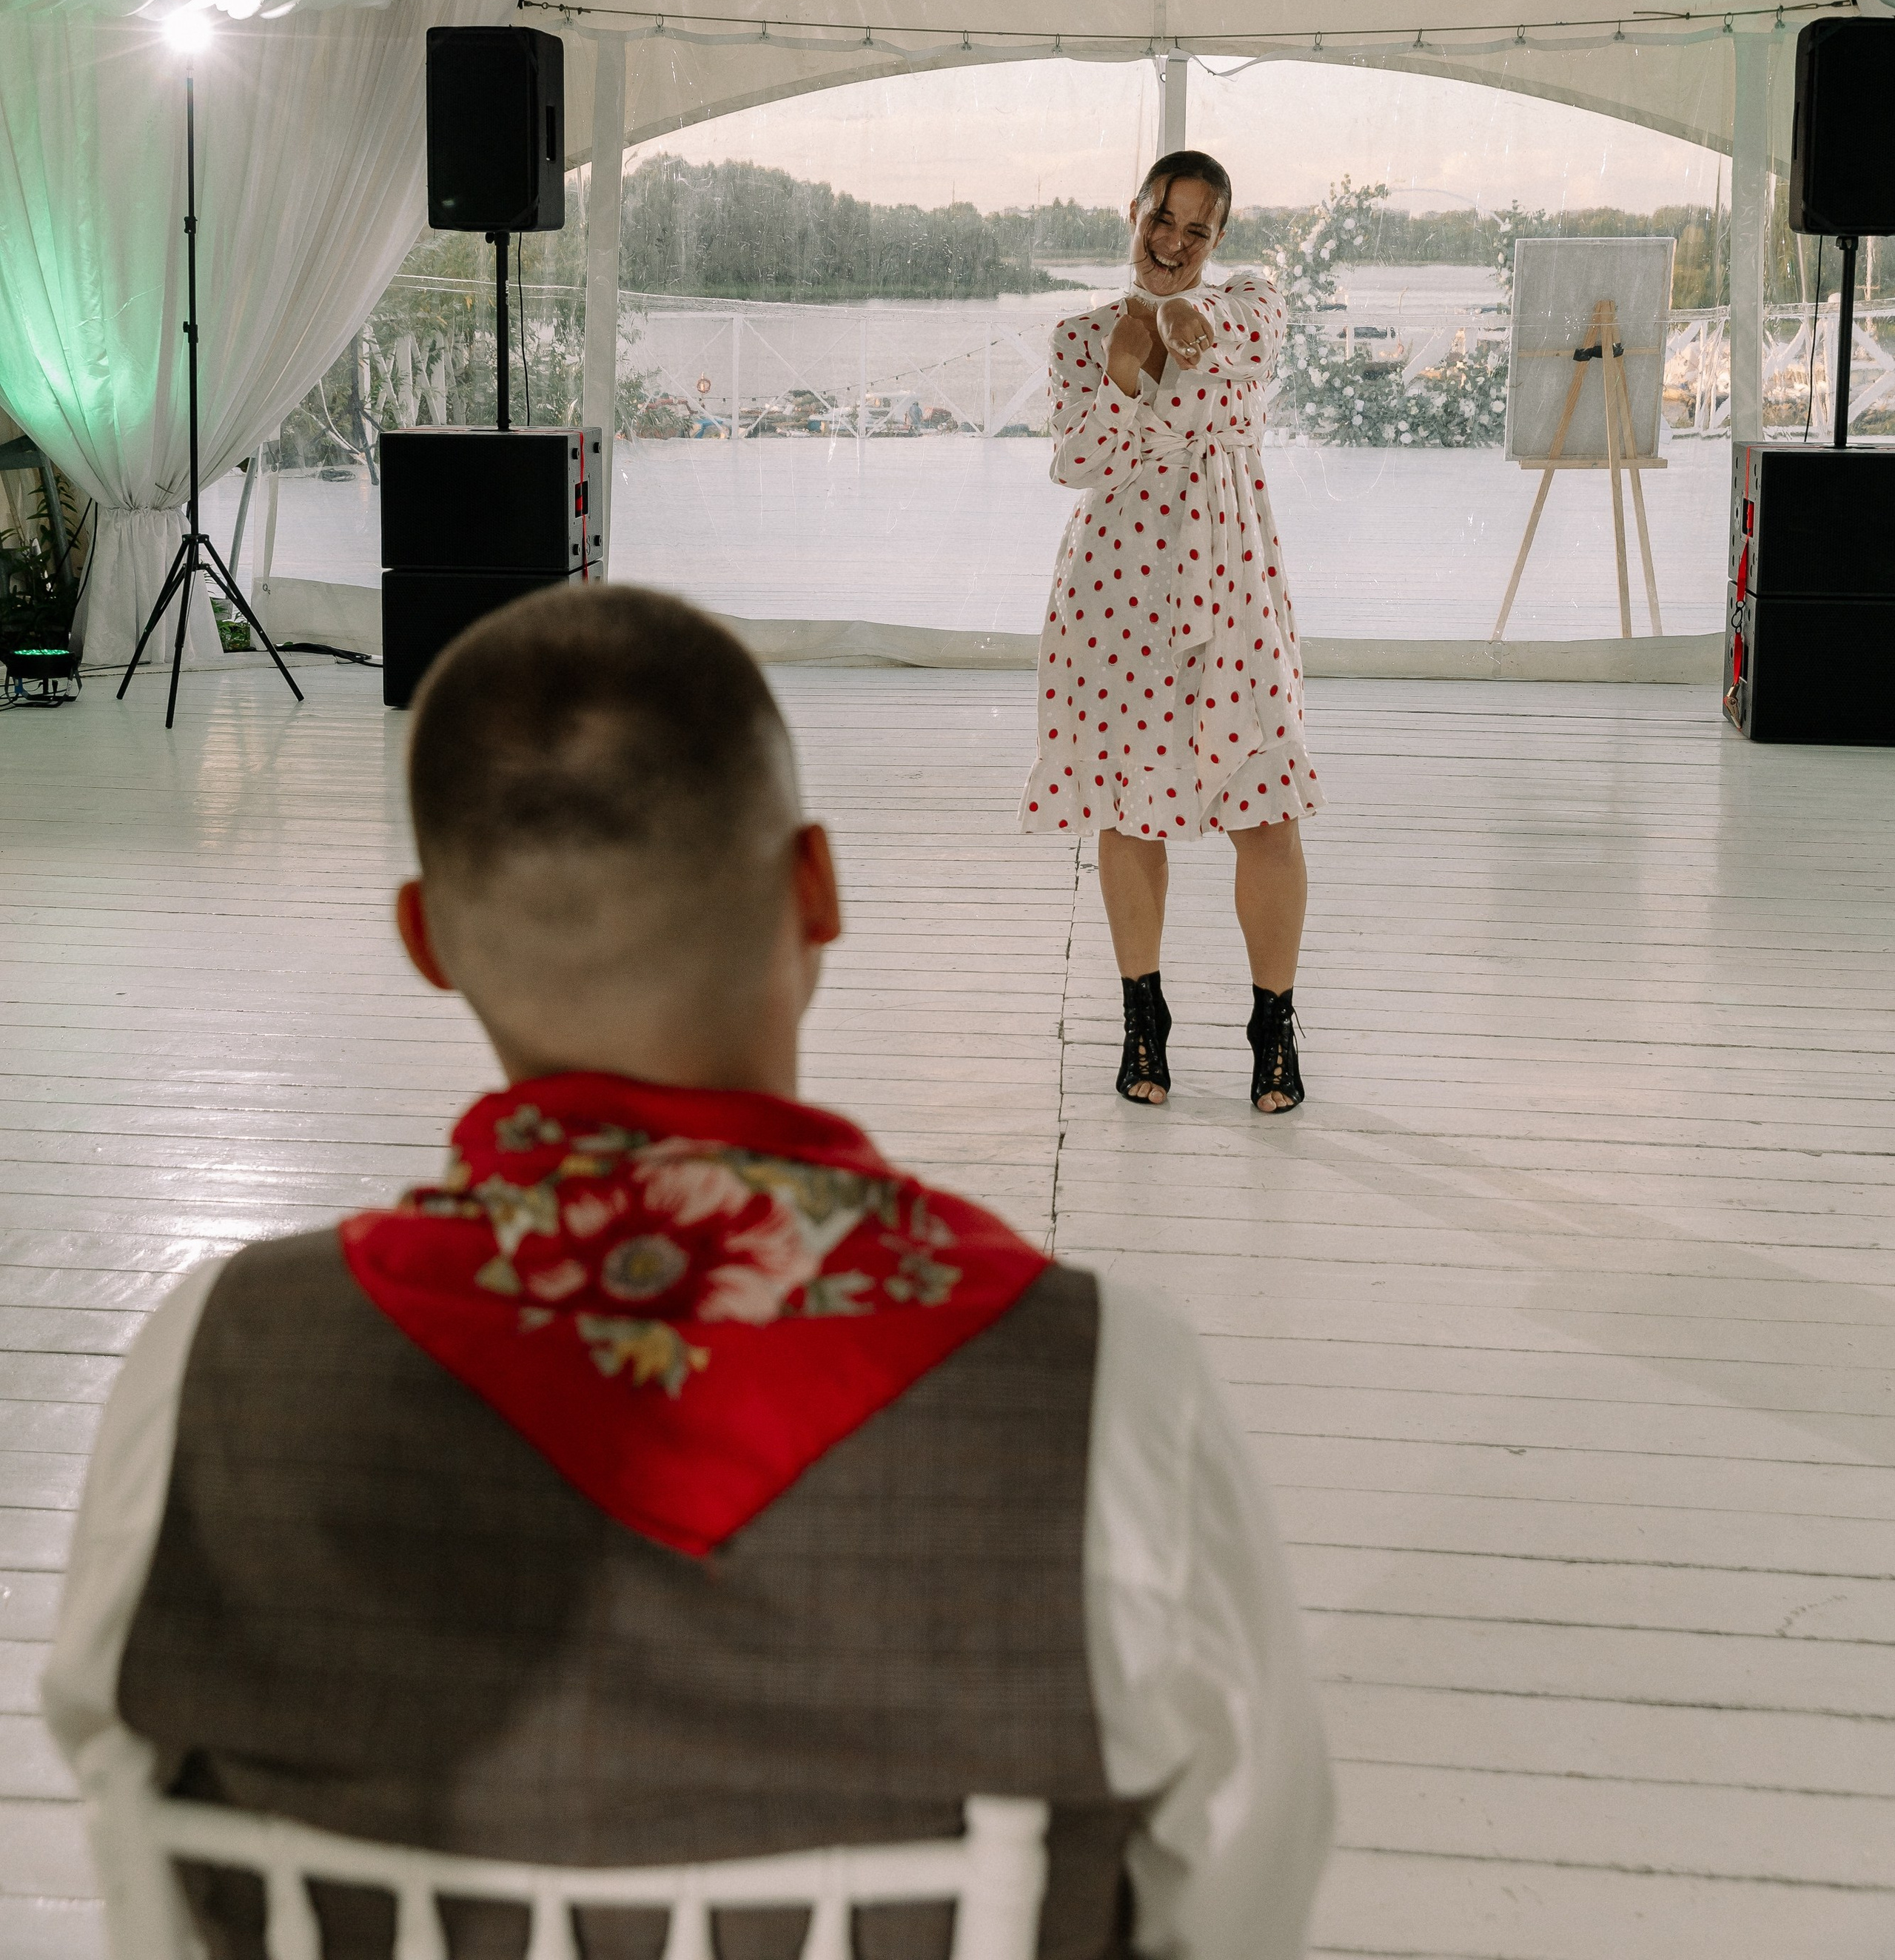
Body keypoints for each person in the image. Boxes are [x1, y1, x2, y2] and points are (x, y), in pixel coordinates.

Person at [44, 585, 1332, 1960]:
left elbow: (145, 1857)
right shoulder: (1106, 1384)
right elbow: (1247, 1883)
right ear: (816, 889)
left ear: (424, 940)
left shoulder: (215, 1359)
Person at [1021, 152, 1321, 1112]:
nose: (1174, 242)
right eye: (1163, 218)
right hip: (1117, 589)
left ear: (1219, 238)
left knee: (1265, 806)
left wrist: (1173, 329)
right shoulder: (1079, 336)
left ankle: (1273, 1024)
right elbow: (1077, 462)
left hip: (1230, 575)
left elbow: (1234, 352)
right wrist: (1124, 370)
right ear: (1135, 212)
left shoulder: (1251, 304)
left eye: (1198, 229)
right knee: (1126, 801)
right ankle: (1141, 1016)